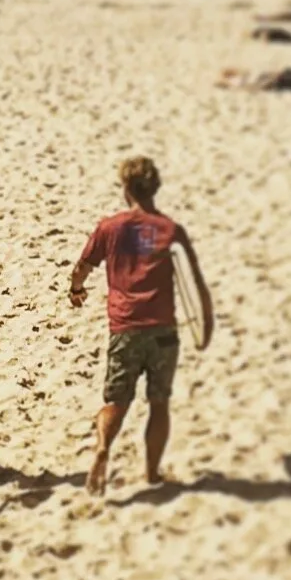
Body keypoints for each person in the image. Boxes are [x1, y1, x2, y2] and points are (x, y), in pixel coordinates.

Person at [69, 157, 213, 495]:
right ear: (155, 187)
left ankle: (103, 447)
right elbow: (196, 282)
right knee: (159, 402)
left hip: (125, 328)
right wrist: (205, 325)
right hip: (163, 330)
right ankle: (151, 474)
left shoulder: (110, 227)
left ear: (126, 188)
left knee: (116, 401)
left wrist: (75, 290)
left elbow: (82, 267)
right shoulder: (170, 230)